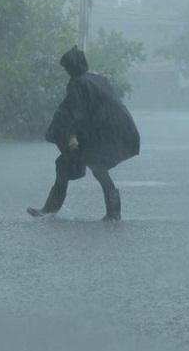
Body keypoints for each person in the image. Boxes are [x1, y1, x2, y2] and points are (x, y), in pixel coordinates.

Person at [27, 46, 140, 221]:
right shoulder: (98, 79)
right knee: (87, 168)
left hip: (93, 135)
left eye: (67, 67)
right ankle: (112, 212)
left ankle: (51, 210)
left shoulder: (77, 84)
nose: (67, 71)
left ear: (72, 66)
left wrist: (72, 136)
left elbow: (77, 112)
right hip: (107, 132)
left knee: (92, 168)